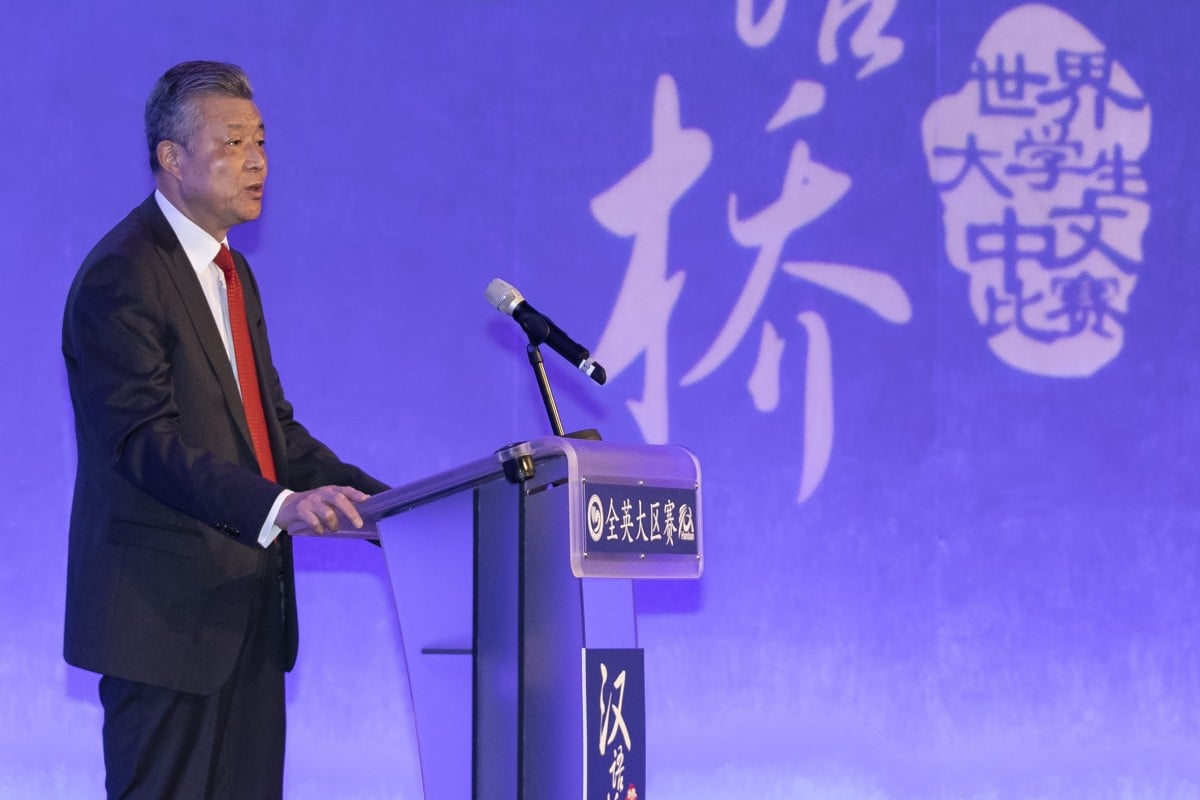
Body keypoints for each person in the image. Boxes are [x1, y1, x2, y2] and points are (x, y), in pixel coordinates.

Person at [61, 60, 388, 798]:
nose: (257, 161)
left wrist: (396, 508)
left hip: (247, 619)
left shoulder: (231, 273)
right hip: (163, 627)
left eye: (261, 141)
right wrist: (281, 507)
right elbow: (143, 442)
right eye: (234, 142)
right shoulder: (124, 273)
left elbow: (271, 436)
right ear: (172, 158)